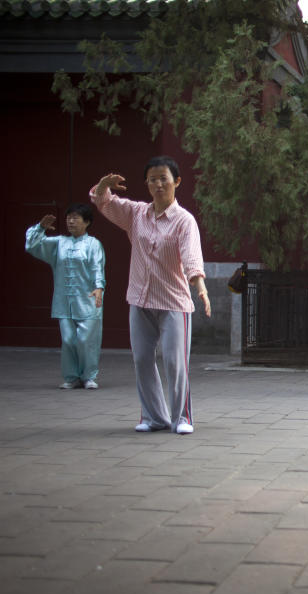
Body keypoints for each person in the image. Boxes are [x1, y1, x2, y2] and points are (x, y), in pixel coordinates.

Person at [90, 156, 211, 434]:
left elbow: (192, 259)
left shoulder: (184, 221)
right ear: (146, 183)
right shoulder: (136, 214)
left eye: (164, 178)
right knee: (142, 359)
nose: (158, 184)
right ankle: (153, 417)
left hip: (173, 303)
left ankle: (181, 418)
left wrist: (201, 288)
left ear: (176, 182)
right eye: (152, 179)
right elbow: (104, 202)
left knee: (173, 361)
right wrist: (104, 185)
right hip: (140, 300)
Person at [25, 204, 105, 389]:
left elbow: (97, 267)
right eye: (69, 217)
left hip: (88, 300)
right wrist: (41, 228)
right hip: (64, 301)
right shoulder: (59, 242)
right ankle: (71, 377)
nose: (71, 221)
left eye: (76, 217)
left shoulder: (93, 244)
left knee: (86, 341)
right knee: (69, 340)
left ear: (87, 222)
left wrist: (99, 287)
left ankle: (88, 376)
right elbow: (32, 245)